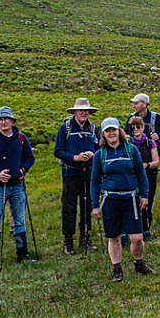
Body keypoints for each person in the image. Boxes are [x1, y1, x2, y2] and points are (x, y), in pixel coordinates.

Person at [90, 117, 152, 282]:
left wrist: (144, 195)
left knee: (137, 238)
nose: (111, 133)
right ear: (103, 134)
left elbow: (141, 173)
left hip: (131, 199)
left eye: (114, 130)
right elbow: (94, 181)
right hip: (110, 200)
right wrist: (95, 205)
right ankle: (117, 269)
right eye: (107, 131)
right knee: (114, 237)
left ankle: (139, 263)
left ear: (119, 131)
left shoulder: (131, 150)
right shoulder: (99, 155)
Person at [0, 106, 36, 268]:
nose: (3, 122)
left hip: (17, 185)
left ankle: (22, 252)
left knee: (19, 220)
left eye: (6, 119)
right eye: (0, 119)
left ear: (12, 121)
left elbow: (30, 159)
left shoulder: (21, 138)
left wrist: (22, 170)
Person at [53, 98, 100, 255]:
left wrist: (92, 154)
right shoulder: (65, 128)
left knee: (87, 206)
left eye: (86, 111)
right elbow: (58, 151)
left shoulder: (93, 128)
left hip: (89, 173)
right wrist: (75, 157)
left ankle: (85, 239)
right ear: (74, 112)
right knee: (69, 207)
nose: (84, 113)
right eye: (81, 110)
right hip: (70, 173)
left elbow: (99, 148)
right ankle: (68, 241)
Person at [128, 116, 160, 239]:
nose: (136, 129)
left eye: (138, 127)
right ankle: (132, 231)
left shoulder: (149, 142)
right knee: (132, 203)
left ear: (143, 128)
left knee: (147, 202)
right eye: (133, 128)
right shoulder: (128, 143)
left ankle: (146, 230)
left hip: (148, 176)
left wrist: (145, 166)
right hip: (132, 177)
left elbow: (156, 162)